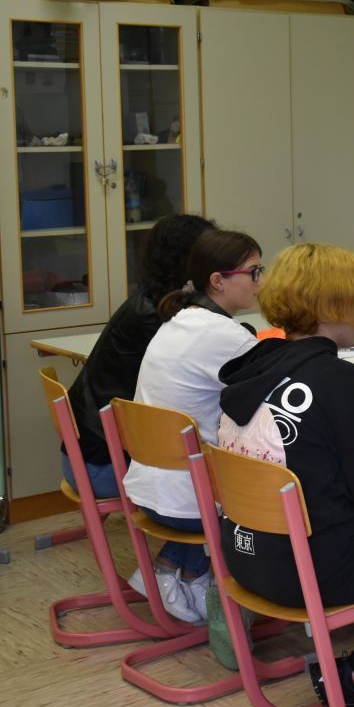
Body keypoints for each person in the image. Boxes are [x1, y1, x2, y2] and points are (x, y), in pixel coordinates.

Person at [216, 243, 354, 707]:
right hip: (309, 572)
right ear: (336, 308)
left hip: (245, 556)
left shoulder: (252, 370)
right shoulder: (341, 381)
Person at [122, 228, 263, 623]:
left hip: (149, 490)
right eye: (253, 272)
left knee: (213, 459)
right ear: (218, 281)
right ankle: (196, 576)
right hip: (188, 502)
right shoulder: (228, 337)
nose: (260, 281)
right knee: (266, 479)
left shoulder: (179, 320)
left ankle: (173, 568)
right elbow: (274, 395)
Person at [64, 214, 216, 498]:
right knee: (230, 481)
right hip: (103, 468)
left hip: (88, 458)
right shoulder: (157, 318)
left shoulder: (152, 300)